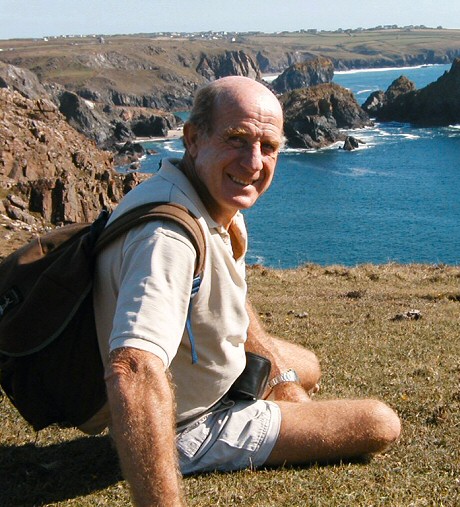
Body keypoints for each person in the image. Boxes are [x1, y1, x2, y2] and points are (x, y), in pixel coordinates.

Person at [88, 76, 401, 506]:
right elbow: (134, 369)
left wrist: (284, 383)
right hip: (185, 423)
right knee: (378, 422)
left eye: (268, 147)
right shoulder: (168, 238)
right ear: (194, 139)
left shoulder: (210, 199)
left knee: (305, 366)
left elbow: (232, 301)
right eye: (237, 139)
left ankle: (268, 394)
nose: (253, 162)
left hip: (206, 374)